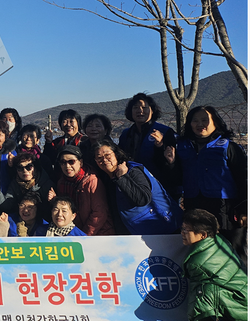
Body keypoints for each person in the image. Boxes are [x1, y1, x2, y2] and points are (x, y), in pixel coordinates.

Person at [163, 106, 248, 261]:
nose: (200, 124)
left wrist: (244, 209)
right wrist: (171, 163)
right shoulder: (182, 147)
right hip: (194, 205)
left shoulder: (228, 147)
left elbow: (243, 179)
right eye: (195, 120)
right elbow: (176, 180)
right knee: (201, 252)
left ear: (215, 122)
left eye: (204, 120)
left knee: (232, 253)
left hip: (226, 208)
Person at [181, 209, 247, 321]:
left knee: (206, 291)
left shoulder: (197, 262)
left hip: (242, 303)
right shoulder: (217, 240)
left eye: (186, 230)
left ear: (203, 235)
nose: (182, 233)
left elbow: (197, 295)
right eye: (182, 229)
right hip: (242, 296)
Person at [93, 139, 182, 235]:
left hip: (165, 227)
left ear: (116, 154)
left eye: (107, 155)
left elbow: (142, 199)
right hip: (140, 233)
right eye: (99, 158)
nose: (104, 160)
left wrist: (122, 177)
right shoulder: (107, 179)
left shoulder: (133, 170)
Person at [50, 146, 114, 235]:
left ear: (80, 162)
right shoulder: (61, 182)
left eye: (71, 162)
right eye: (63, 162)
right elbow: (66, 209)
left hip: (99, 233)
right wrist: (55, 200)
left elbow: (99, 213)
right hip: (75, 232)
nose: (67, 166)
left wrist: (83, 235)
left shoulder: (92, 181)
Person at [118, 93, 176, 184]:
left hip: (158, 185)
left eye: (144, 107)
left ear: (152, 111)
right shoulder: (126, 134)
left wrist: (160, 146)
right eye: (135, 108)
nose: (140, 110)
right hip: (131, 183)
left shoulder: (165, 132)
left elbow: (172, 164)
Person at [4, 153, 54, 223]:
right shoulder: (15, 183)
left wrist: (53, 201)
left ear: (35, 168)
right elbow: (8, 204)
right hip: (21, 220)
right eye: (20, 168)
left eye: (29, 167)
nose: (25, 171)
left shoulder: (47, 184)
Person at [43, 109, 86, 181]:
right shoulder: (57, 142)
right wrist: (48, 142)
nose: (68, 125)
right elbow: (49, 160)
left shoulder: (85, 141)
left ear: (78, 123)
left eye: (71, 121)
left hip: (80, 179)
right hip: (60, 180)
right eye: (64, 121)